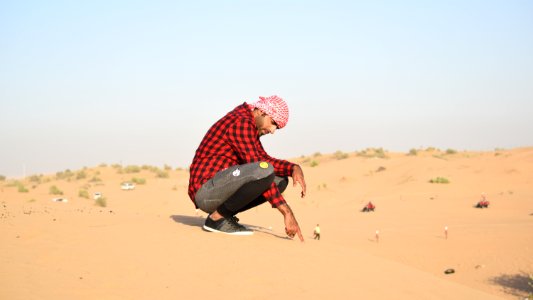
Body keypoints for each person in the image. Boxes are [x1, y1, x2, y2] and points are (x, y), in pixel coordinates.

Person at [188, 95, 307, 240]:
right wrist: (286, 212)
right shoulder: (241, 122)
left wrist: (293, 168)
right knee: (265, 171)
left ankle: (221, 215)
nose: (273, 130)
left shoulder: (249, 124)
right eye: (273, 123)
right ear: (263, 112)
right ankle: (217, 218)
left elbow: (263, 160)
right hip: (206, 192)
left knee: (279, 180)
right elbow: (260, 168)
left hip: (218, 189)